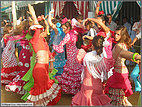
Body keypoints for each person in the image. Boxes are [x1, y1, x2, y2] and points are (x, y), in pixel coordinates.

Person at [25, 4, 61, 106]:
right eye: (40, 30)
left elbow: (50, 55)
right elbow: (38, 27)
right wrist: (32, 11)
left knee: (44, 95)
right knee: (40, 94)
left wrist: (51, 66)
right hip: (39, 70)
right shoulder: (35, 40)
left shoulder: (43, 42)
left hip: (45, 69)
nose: (43, 31)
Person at [71, 36, 115, 106]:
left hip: (86, 85)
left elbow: (83, 71)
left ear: (92, 45)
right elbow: (106, 76)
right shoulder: (103, 58)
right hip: (98, 86)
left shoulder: (86, 56)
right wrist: (104, 82)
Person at [104, 25, 141, 106]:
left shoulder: (118, 46)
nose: (115, 36)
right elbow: (127, 57)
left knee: (117, 98)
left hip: (118, 72)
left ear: (122, 35)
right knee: (122, 97)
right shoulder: (124, 45)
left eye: (118, 34)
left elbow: (112, 60)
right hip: (123, 71)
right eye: (115, 34)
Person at [53, 20, 86, 95]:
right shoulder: (73, 33)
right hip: (74, 53)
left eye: (64, 28)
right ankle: (75, 89)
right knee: (74, 71)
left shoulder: (68, 35)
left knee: (71, 71)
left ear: (68, 27)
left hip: (71, 55)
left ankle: (71, 90)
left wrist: (55, 47)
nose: (63, 30)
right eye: (63, 28)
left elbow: (61, 44)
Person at [48, 9, 66, 76]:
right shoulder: (63, 30)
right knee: (60, 63)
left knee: (55, 62)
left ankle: (55, 75)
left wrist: (50, 14)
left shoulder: (57, 30)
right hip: (61, 49)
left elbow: (49, 23)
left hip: (56, 49)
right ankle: (60, 75)